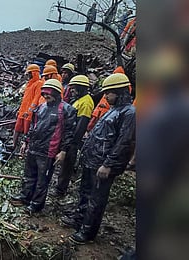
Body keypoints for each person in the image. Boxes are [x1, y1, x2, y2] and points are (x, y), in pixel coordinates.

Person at [61, 73, 135, 244]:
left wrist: (108, 164)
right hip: (92, 160)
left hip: (103, 164)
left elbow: (123, 142)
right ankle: (79, 220)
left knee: (97, 199)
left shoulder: (129, 113)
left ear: (119, 92)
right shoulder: (114, 110)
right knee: (85, 193)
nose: (106, 96)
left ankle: (88, 232)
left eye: (108, 93)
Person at [11, 79, 76, 213]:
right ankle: (25, 197)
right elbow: (33, 126)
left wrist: (63, 151)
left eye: (49, 93)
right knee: (29, 175)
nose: (46, 96)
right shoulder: (41, 107)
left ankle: (36, 204)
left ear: (57, 93)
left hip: (49, 151)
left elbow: (69, 133)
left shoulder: (66, 109)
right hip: (34, 147)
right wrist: (25, 142)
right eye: (44, 93)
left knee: (42, 179)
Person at [51, 75, 94, 198]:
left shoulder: (86, 102)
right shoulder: (79, 100)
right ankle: (60, 186)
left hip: (72, 140)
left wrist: (71, 143)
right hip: (68, 137)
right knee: (64, 165)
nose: (73, 91)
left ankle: (60, 190)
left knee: (67, 166)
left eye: (75, 88)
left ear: (81, 88)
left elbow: (81, 124)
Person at [12, 64, 44, 146]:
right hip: (23, 111)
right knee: (17, 128)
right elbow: (24, 100)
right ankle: (13, 145)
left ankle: (24, 148)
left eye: (29, 73)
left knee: (27, 131)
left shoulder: (39, 83)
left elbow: (36, 99)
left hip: (29, 113)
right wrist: (20, 110)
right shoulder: (29, 84)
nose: (28, 75)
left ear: (34, 73)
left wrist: (30, 111)